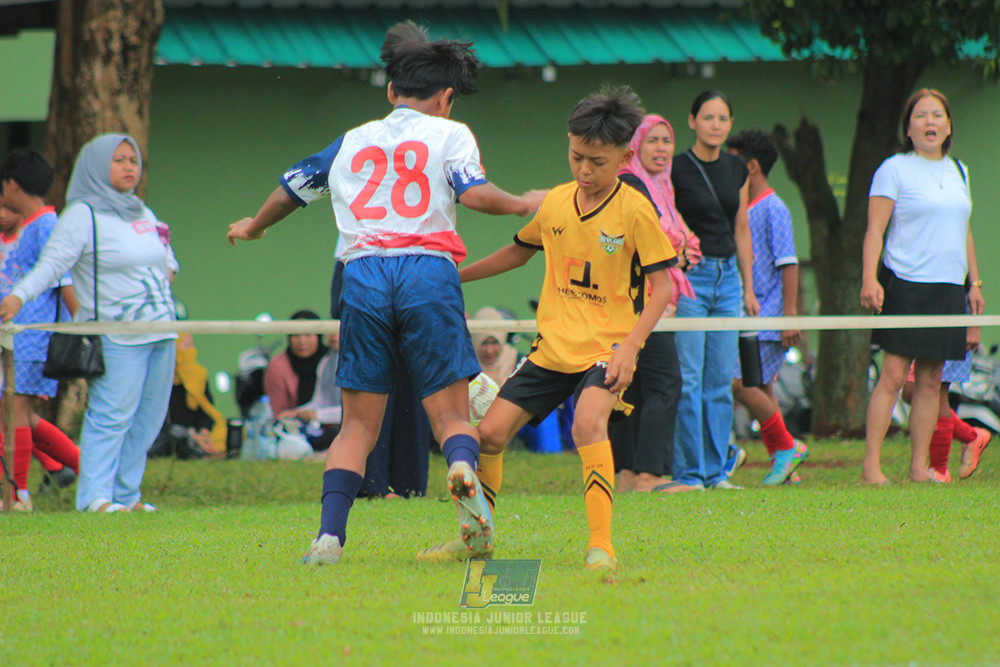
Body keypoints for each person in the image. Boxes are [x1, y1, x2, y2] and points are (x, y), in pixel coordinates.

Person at [227, 21, 544, 565]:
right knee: (450, 418)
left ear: (391, 92)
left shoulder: (354, 138)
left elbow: (290, 191)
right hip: (426, 270)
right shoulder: (451, 133)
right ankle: (461, 467)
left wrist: (254, 227)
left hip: (364, 276)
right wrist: (521, 203)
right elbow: (474, 193)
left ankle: (329, 538)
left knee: (357, 424)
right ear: (446, 97)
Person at [420, 85, 677, 571]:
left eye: (597, 162)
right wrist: (456, 274)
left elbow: (662, 288)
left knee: (586, 422)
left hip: (608, 349)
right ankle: (477, 537)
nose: (584, 170)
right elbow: (518, 251)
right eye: (576, 156)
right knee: (490, 434)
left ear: (624, 157)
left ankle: (601, 545)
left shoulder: (634, 210)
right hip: (551, 350)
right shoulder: (557, 202)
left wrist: (631, 348)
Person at [0, 133, 179, 512]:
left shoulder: (142, 212)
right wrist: (18, 296)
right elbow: (51, 265)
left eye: (133, 160)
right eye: (119, 160)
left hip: (161, 330)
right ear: (97, 165)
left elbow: (166, 259)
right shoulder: (83, 214)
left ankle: (126, 496)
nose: (130, 166)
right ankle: (94, 498)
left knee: (148, 420)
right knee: (112, 416)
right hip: (115, 333)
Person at [860, 88, 983, 484]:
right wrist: (869, 278)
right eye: (921, 116)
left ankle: (918, 468)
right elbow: (875, 230)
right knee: (894, 377)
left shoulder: (959, 171)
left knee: (931, 380)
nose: (930, 122)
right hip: (905, 284)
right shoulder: (894, 168)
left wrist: (974, 285)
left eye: (937, 115)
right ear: (908, 128)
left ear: (949, 126)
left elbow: (963, 233)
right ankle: (871, 467)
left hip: (948, 288)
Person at [670, 90, 759, 490]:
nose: (716, 126)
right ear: (692, 121)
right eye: (708, 118)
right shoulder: (675, 168)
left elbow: (741, 229)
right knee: (689, 379)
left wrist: (749, 289)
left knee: (720, 380)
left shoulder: (737, 168)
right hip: (692, 277)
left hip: (728, 281)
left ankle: (716, 472)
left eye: (723, 119)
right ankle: (690, 474)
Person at [612, 114, 700, 493]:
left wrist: (679, 248)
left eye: (667, 141)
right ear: (635, 146)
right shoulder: (633, 183)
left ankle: (628, 473)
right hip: (646, 300)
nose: (662, 149)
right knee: (665, 382)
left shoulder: (662, 188)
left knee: (634, 385)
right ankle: (649, 474)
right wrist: (677, 250)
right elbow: (666, 241)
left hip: (639, 299)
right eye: (653, 141)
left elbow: (684, 242)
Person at [725, 129, 809, 485]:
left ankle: (788, 447)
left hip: (768, 316)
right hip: (748, 316)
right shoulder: (743, 209)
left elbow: (788, 263)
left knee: (738, 384)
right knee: (763, 388)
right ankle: (784, 465)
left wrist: (789, 315)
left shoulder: (774, 208)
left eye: (732, 161)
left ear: (752, 166)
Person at [0, 149, 82, 511]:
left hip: (32, 337)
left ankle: (17, 495)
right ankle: (87, 469)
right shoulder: (33, 224)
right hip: (17, 335)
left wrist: (80, 330)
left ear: (12, 186)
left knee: (15, 413)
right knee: (21, 415)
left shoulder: (47, 225)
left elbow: (64, 283)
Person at [900, 358, 990, 482]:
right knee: (911, 392)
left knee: (936, 392)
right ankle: (972, 436)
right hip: (925, 340)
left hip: (945, 341)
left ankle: (939, 471)